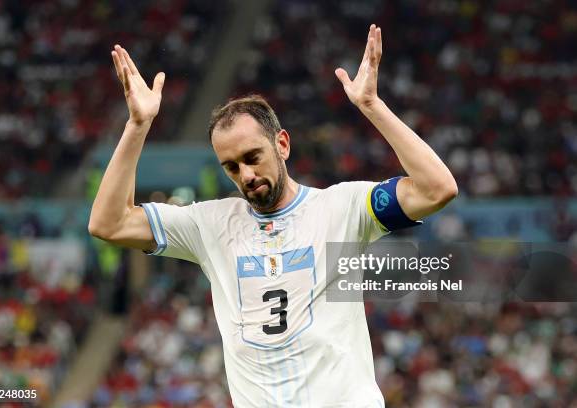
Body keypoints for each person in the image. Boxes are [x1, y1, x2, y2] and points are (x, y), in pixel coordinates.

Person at [89, 24, 458, 407]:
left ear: (282, 144)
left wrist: (372, 106)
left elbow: (437, 188)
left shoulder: (344, 209)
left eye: (252, 158)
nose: (245, 175)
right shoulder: (209, 225)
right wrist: (137, 125)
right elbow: (108, 223)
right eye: (231, 167)